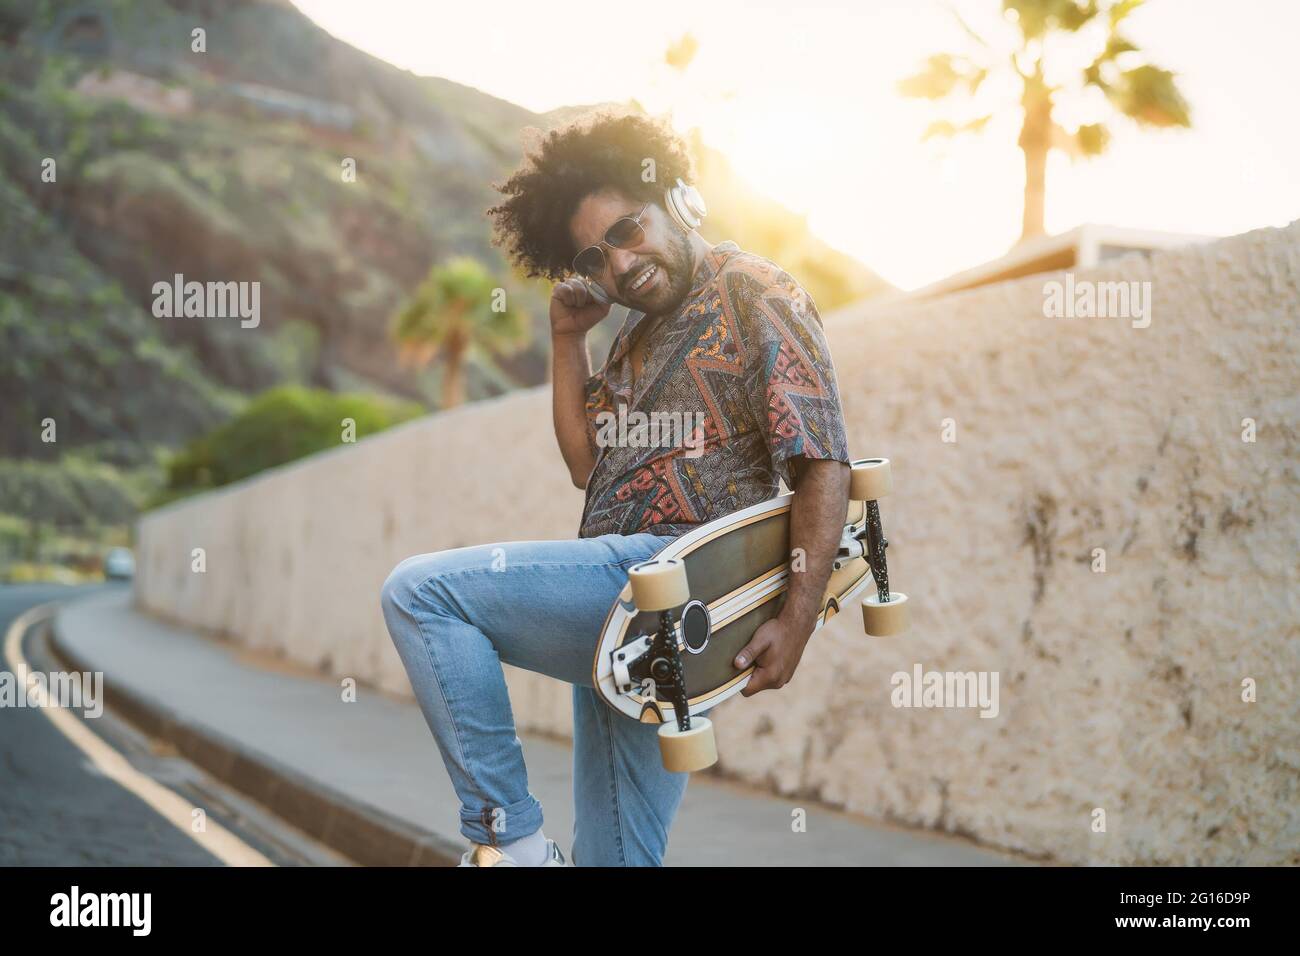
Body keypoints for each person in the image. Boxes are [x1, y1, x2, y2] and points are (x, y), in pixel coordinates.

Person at [380, 111, 851, 866]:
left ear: (677, 198)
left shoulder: (757, 291)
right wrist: (569, 340)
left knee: (423, 595)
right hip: (629, 622)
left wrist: (796, 620)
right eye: (595, 258)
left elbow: (822, 458)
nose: (620, 266)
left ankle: (515, 845)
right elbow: (583, 463)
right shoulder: (631, 336)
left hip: (675, 577)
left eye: (629, 231)